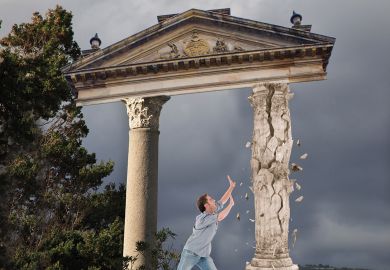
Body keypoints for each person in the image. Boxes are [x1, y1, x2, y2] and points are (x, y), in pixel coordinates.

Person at [177, 175, 236, 270]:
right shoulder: (202, 219)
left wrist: (231, 187)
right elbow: (221, 217)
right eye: (211, 199)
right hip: (191, 253)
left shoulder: (213, 211)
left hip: (203, 255)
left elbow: (222, 201)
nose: (214, 200)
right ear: (206, 205)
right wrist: (231, 205)